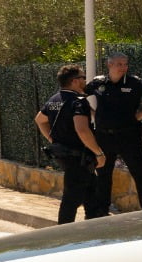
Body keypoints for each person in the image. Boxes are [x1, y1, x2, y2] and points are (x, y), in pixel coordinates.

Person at [85, 52, 142, 212]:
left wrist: (141, 115)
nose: (123, 68)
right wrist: (92, 113)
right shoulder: (98, 82)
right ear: (109, 65)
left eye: (125, 64)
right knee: (103, 175)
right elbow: (79, 96)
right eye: (119, 64)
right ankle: (102, 213)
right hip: (103, 136)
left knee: (141, 175)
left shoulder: (135, 82)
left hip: (128, 136)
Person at [35, 64, 107, 224]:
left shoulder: (54, 99)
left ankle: (95, 228)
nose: (85, 80)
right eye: (82, 77)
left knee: (91, 194)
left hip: (65, 154)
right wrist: (98, 153)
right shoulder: (78, 102)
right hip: (78, 157)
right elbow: (82, 130)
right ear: (75, 81)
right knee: (71, 199)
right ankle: (63, 234)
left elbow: (40, 120)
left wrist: (53, 139)